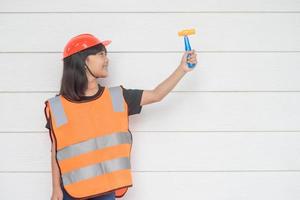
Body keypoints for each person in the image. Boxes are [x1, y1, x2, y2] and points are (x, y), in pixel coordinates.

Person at [44, 33, 197, 200]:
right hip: (71, 192)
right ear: (83, 61)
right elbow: (57, 149)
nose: (107, 59)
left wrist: (182, 69)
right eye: (101, 54)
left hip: (106, 190)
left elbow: (156, 94)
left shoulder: (118, 97)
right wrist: (55, 188)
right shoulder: (58, 107)